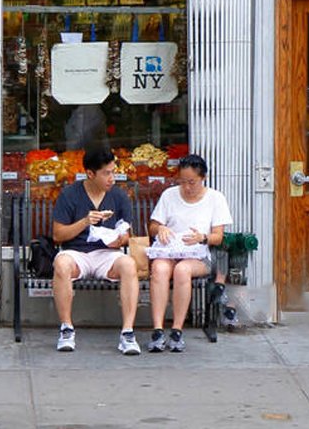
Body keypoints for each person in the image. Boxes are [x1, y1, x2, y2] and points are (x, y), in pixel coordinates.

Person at [50, 148, 141, 355]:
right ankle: (66, 328)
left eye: (113, 171)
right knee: (61, 264)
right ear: (90, 174)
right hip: (76, 252)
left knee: (129, 265)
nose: (112, 178)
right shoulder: (70, 194)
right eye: (106, 173)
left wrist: (119, 239)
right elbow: (58, 235)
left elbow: (127, 233)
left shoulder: (118, 196)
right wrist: (84, 222)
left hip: (108, 254)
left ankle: (127, 332)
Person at [145, 153, 232, 353]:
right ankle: (158, 329)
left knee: (183, 270)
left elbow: (218, 237)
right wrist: (161, 229)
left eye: (191, 182)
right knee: (158, 268)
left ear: (204, 178)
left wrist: (202, 237)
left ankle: (177, 330)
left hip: (198, 256)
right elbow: (153, 226)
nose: (186, 187)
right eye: (182, 182)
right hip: (170, 251)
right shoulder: (169, 195)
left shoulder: (215, 198)